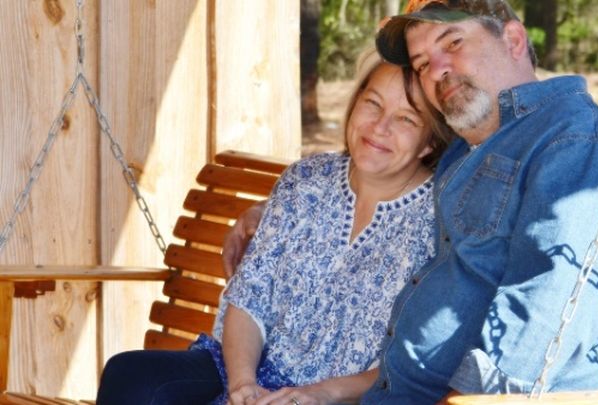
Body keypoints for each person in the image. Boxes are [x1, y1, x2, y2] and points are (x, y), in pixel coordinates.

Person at [225, 0, 598, 403]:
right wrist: (269, 212)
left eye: (453, 43)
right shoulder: (469, 149)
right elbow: (379, 175)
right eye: (422, 63)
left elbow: (543, 323)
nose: (436, 70)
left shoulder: (575, 144)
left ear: (513, 40)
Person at [94, 49, 454, 405]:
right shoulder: (306, 179)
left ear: (431, 142)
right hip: (248, 368)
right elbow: (248, 299)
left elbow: (415, 362)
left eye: (407, 119)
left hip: (343, 397)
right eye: (372, 103)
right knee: (132, 377)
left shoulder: (441, 221)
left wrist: (319, 394)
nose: (380, 127)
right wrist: (243, 386)